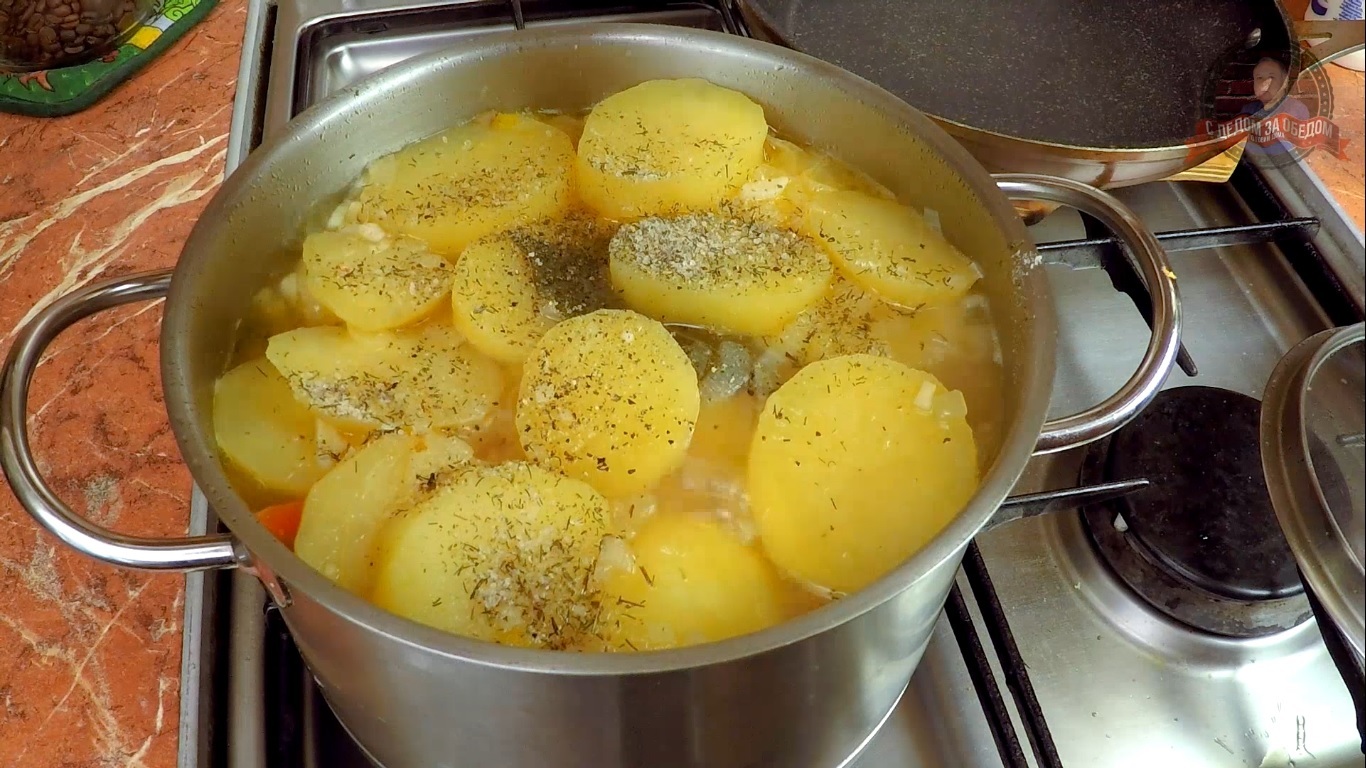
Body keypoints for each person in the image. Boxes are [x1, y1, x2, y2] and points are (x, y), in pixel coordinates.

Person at [1239, 56, 1311, 159]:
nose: (1264, 83)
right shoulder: (1248, 110)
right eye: (1259, 78)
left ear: (1284, 82)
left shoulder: (1295, 109)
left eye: (1271, 77)